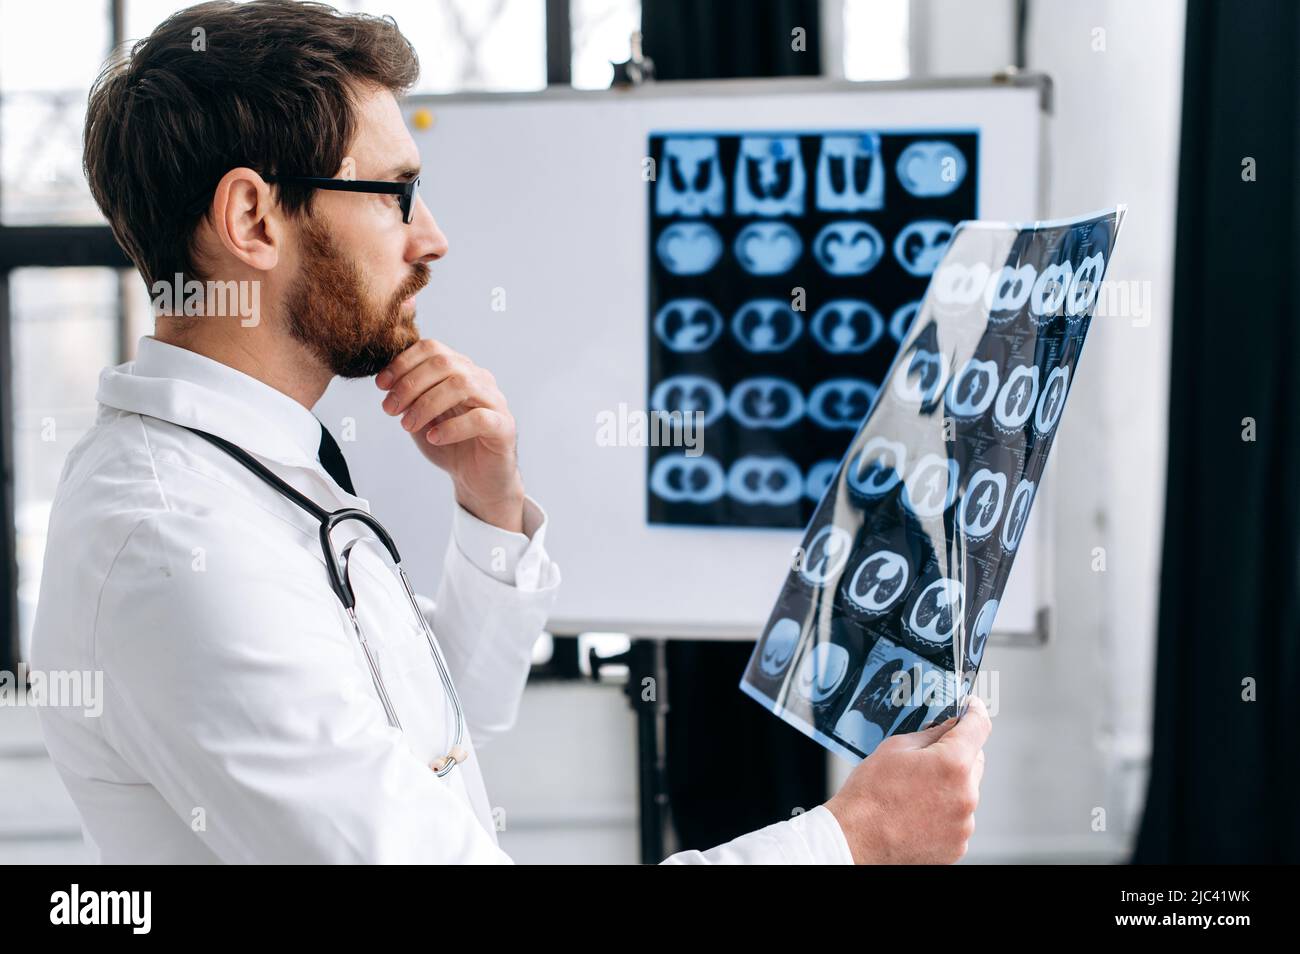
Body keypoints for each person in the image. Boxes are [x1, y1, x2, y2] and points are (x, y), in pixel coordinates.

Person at [31, 0, 990, 864]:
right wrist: (849, 841)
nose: (432, 236)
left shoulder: (257, 467)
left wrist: (488, 507)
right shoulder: (176, 542)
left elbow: (445, 729)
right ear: (252, 216)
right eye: (395, 192)